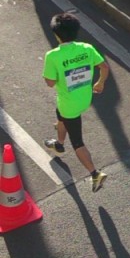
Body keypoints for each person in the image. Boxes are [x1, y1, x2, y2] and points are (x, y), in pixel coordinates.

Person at [43, 12, 109, 192]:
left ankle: (95, 174)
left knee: (77, 142)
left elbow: (50, 83)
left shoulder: (52, 56)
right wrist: (100, 83)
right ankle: (58, 144)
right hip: (85, 99)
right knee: (60, 115)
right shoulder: (87, 48)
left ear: (56, 34)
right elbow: (104, 67)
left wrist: (60, 75)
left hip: (69, 105)